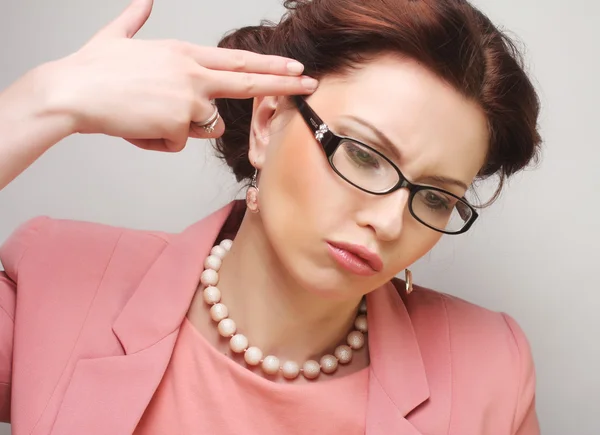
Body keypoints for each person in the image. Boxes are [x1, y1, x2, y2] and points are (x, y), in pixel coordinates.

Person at [0, 0, 542, 433]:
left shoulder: (491, 370)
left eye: (435, 197)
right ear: (266, 122)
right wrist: (43, 102)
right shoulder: (57, 281)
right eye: (363, 154)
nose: (391, 221)